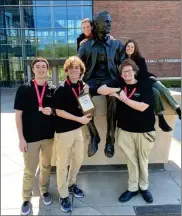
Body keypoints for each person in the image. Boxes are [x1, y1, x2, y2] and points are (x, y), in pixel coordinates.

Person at [98, 59, 156, 203]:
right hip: (125, 131)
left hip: (144, 131)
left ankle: (144, 187)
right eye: (124, 72)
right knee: (131, 161)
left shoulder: (145, 84)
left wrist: (123, 99)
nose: (127, 74)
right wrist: (117, 90)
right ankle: (132, 188)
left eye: (129, 71)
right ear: (121, 74)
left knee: (142, 160)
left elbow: (142, 106)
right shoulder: (120, 85)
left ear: (135, 72)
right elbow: (100, 90)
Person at [78, 11, 124, 158]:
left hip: (110, 82)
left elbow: (125, 66)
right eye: (106, 22)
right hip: (91, 82)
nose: (110, 24)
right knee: (82, 95)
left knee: (113, 97)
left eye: (110, 21)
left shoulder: (116, 45)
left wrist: (119, 85)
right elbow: (76, 66)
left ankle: (110, 140)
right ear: (97, 25)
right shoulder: (85, 46)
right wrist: (80, 82)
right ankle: (94, 135)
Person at [14, 57, 55, 215]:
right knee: (30, 170)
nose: (40, 69)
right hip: (30, 138)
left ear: (47, 69)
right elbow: (18, 116)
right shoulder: (24, 89)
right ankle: (26, 198)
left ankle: (44, 191)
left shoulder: (52, 89)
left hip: (47, 137)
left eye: (43, 66)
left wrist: (51, 111)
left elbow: (55, 111)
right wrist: (21, 138)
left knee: (45, 167)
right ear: (33, 69)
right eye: (37, 66)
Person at [53, 56, 91, 213]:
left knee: (78, 159)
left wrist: (87, 115)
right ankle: (63, 195)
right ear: (67, 71)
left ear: (81, 71)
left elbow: (87, 105)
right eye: (72, 68)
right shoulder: (61, 88)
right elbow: (58, 111)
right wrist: (79, 119)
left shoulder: (83, 86)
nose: (75, 70)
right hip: (64, 131)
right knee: (62, 164)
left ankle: (71, 184)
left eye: (78, 68)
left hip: (77, 130)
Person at [122, 39, 181, 131]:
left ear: (135, 48)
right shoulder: (121, 59)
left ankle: (177, 109)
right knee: (155, 92)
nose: (129, 48)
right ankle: (161, 118)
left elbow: (144, 73)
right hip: (137, 83)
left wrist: (151, 78)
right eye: (128, 46)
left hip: (146, 79)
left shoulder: (140, 60)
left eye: (132, 47)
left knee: (162, 88)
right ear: (125, 47)